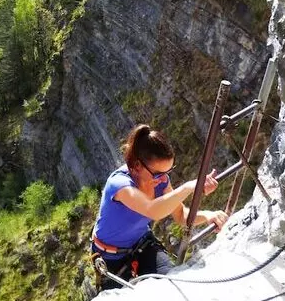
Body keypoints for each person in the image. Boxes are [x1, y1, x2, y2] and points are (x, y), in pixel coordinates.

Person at [91, 124, 228, 289]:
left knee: (171, 285)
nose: (163, 178)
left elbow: (181, 215)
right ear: (137, 165)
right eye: (158, 173)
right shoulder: (120, 184)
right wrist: (190, 186)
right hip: (111, 258)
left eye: (167, 172)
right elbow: (152, 209)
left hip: (142, 245)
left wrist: (207, 215)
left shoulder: (160, 181)